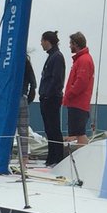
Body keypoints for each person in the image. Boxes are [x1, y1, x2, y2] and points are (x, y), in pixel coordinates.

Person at [63, 31, 94, 148]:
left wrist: (69, 94)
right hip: (77, 102)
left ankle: (84, 158)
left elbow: (81, 82)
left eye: (71, 43)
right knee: (78, 132)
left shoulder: (83, 60)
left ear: (76, 44)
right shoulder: (82, 59)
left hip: (78, 103)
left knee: (80, 133)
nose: (69, 46)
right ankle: (81, 157)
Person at [39, 31, 65, 165]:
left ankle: (58, 157)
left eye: (42, 41)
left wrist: (47, 94)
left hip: (52, 98)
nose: (41, 43)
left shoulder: (57, 57)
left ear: (47, 41)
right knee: (48, 129)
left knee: (54, 128)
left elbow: (57, 79)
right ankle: (51, 156)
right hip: (46, 98)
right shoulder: (52, 56)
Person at [19, 53, 36, 164]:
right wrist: (29, 97)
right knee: (24, 129)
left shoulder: (9, 60)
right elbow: (33, 82)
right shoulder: (26, 62)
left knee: (8, 129)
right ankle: (24, 158)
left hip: (13, 98)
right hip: (22, 97)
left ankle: (7, 155)